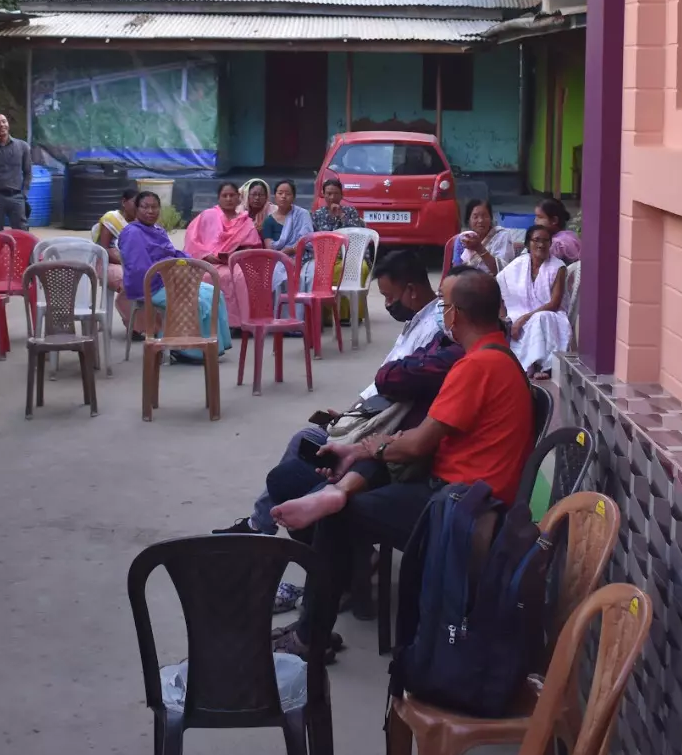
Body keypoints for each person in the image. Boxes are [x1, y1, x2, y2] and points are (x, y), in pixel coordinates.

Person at [270, 267, 535, 658]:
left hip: (462, 508)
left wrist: (372, 448)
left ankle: (312, 637)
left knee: (339, 516)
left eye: (444, 305)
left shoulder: (476, 366)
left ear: (455, 315)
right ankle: (339, 492)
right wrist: (361, 450)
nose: (442, 313)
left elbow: (418, 444)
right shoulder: (499, 357)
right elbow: (421, 439)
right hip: (463, 491)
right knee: (378, 458)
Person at [214, 250, 459, 537]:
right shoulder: (417, 322)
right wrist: (352, 412)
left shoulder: (437, 332)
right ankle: (261, 524)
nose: (388, 304)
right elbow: (386, 382)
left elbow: (393, 383)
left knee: (299, 473)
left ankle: (279, 527)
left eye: (390, 297)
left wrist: (361, 418)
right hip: (373, 418)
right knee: (304, 442)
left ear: (412, 290)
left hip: (387, 431)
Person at [118, 190, 230, 358]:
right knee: (198, 302)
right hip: (150, 286)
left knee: (215, 293)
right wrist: (172, 278)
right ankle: (186, 350)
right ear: (136, 209)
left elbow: (172, 253)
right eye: (145, 207)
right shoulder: (132, 233)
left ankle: (214, 345)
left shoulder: (157, 230)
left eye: (154, 207)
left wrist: (190, 261)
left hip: (170, 280)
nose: (150, 211)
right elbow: (139, 269)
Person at [185, 181, 263, 326]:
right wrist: (206, 255)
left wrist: (237, 256)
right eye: (224, 195)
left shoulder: (245, 221)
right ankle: (214, 323)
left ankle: (241, 323)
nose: (228, 199)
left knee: (244, 276)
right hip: (208, 262)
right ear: (219, 198)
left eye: (232, 195)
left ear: (239, 197)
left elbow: (252, 246)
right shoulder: (207, 215)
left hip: (237, 263)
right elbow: (192, 240)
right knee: (209, 276)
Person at [498, 224, 571, 376]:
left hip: (552, 316)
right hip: (520, 315)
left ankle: (543, 367)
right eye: (536, 240)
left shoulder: (558, 267)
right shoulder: (519, 263)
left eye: (546, 241)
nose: (541, 244)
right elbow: (500, 285)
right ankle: (527, 366)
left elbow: (554, 304)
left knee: (541, 318)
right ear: (527, 244)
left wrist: (524, 318)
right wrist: (503, 315)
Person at [449, 199, 518, 274]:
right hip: (467, 281)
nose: (481, 220)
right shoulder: (463, 239)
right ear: (468, 220)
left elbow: (503, 271)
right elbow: (456, 271)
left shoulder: (502, 236)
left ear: (491, 218)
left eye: (485, 216)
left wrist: (479, 248)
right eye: (475, 217)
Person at [537, 198, 582, 264]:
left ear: (554, 220)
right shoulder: (571, 235)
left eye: (540, 217)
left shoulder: (556, 244)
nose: (535, 220)